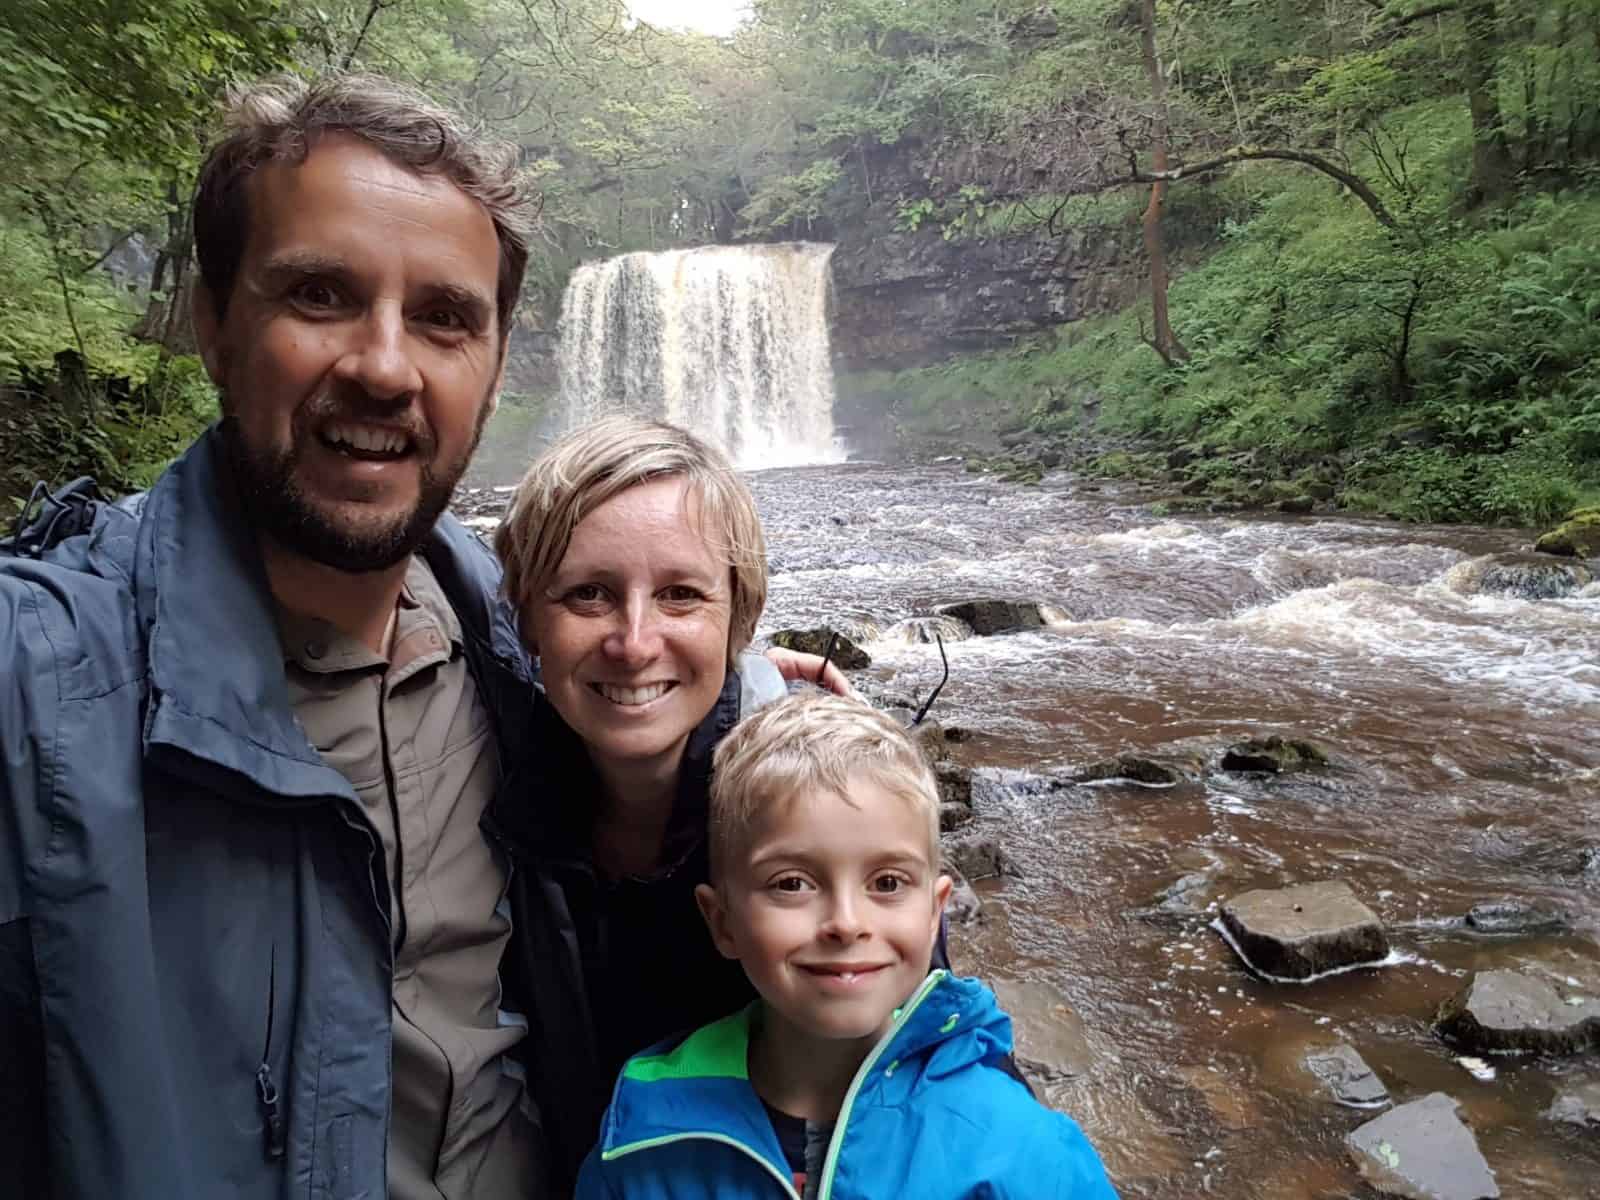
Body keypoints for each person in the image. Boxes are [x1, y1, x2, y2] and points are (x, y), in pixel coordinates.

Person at [0, 76, 833, 1199]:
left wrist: (752, 692)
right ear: (212, 323)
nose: (386, 368)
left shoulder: (503, 636)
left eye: (445, 317)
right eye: (320, 294)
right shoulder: (42, 683)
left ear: (491, 364)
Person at [492, 416, 879, 1186]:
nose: (633, 643)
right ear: (529, 616)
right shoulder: (480, 766)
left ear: (737, 615)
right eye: (589, 594)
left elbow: (931, 1064)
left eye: (680, 595)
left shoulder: (827, 805)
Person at [573, 692, 1119, 1199]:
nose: (845, 923)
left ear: (934, 912)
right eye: (792, 884)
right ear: (722, 923)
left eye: (886, 883)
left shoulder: (1020, 1151)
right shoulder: (645, 1129)